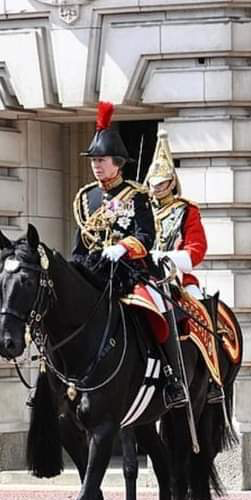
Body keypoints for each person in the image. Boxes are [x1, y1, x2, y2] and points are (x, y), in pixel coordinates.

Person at [72, 101, 185, 409]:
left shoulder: (137, 196)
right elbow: (81, 243)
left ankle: (173, 377)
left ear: (118, 162)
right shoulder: (86, 197)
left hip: (129, 272)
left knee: (159, 308)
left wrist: (123, 247)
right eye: (93, 159)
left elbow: (147, 237)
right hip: (95, 272)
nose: (96, 165)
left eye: (102, 159)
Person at [145, 127, 223, 404]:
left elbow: (196, 249)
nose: (156, 188)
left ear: (172, 183)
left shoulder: (186, 209)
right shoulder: (140, 208)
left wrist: (168, 258)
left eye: (162, 182)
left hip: (176, 278)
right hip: (142, 277)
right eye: (153, 183)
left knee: (203, 314)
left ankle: (213, 377)